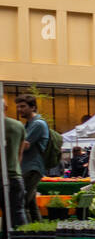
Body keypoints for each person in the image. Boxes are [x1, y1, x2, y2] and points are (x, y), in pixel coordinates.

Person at [15, 94, 50, 224]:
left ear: (33, 107)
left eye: (23, 106)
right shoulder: (28, 124)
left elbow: (24, 145)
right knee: (30, 204)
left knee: (22, 202)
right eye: (18, 106)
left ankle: (25, 234)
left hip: (32, 168)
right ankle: (39, 231)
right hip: (27, 167)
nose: (19, 109)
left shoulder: (38, 124)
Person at [2, 96, 28, 236]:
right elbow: (20, 154)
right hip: (15, 175)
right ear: (6, 108)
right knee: (17, 211)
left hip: (4, 176)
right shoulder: (18, 126)